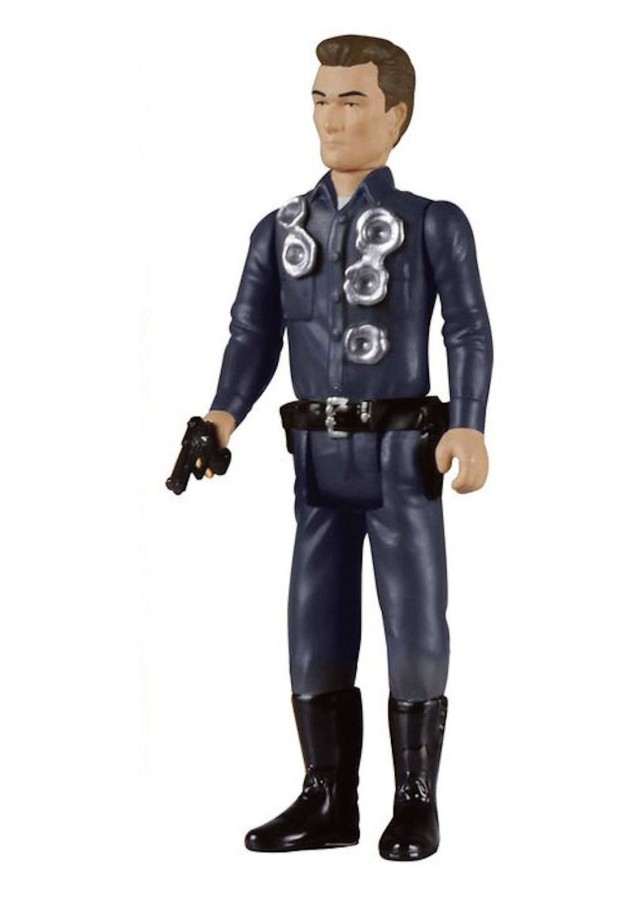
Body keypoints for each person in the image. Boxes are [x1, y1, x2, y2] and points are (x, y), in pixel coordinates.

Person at [198, 34, 493, 861]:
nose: (332, 119)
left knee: (415, 623)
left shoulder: (432, 223)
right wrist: (219, 419)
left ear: (396, 116)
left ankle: (416, 798)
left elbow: (468, 328)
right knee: (313, 620)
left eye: (352, 101)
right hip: (317, 460)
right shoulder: (279, 229)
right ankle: (328, 795)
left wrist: (469, 421)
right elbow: (251, 335)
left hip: (403, 455)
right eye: (321, 100)